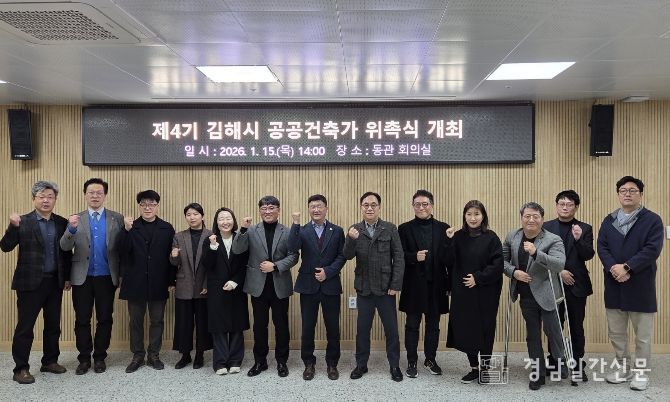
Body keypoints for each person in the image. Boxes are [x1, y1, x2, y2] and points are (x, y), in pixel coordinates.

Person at [1, 180, 72, 384]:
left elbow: (66, 253)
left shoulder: (62, 222)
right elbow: (5, 246)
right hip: (29, 283)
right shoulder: (23, 221)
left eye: (50, 197)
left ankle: (49, 362)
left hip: (54, 282)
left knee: (53, 325)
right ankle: (20, 368)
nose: (46, 200)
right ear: (34, 199)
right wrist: (12, 227)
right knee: (25, 327)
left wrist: (67, 277)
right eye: (42, 196)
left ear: (55, 199)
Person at [598, 176, 663, 391]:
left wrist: (627, 267)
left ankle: (641, 373)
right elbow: (602, 247)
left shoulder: (652, 220)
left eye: (633, 190)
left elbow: (652, 249)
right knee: (617, 334)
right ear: (618, 194)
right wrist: (614, 268)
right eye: (623, 190)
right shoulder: (609, 220)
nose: (627, 194)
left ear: (640, 194)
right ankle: (623, 369)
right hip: (614, 283)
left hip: (640, 284)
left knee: (642, 337)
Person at [59, 178, 125, 375]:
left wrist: (122, 276)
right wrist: (71, 229)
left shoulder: (117, 218)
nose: (95, 196)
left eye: (99, 193)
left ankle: (100, 357)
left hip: (107, 277)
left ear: (105, 195)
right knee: (82, 319)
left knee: (105, 318)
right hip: (82, 278)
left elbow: (123, 249)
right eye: (91, 192)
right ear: (85, 195)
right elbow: (64, 247)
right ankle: (84, 358)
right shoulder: (75, 219)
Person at [232, 195, 298, 378]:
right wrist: (242, 229)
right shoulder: (251, 230)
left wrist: (275, 266)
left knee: (281, 325)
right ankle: (260, 361)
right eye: (264, 208)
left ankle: (282, 361)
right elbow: (237, 249)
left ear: (279, 210)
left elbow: (294, 256)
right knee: (259, 326)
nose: (267, 212)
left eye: (271, 208)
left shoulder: (287, 231)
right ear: (260, 211)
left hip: (280, 286)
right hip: (257, 286)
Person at [502, 202, 566, 391]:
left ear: (542, 219)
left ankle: (561, 361)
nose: (531, 220)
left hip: (547, 293)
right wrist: (514, 272)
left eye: (535, 216)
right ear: (521, 218)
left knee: (553, 331)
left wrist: (537, 253)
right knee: (533, 335)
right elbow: (501, 261)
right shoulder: (512, 236)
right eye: (527, 216)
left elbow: (559, 264)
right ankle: (538, 372)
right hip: (525, 294)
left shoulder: (553, 239)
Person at [344, 192, 405, 382]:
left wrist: (395, 284)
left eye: (373, 205)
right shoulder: (355, 229)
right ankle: (361, 365)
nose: (369, 208)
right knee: (362, 330)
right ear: (361, 207)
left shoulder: (390, 228)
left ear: (379, 207)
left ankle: (394, 365)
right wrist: (350, 239)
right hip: (364, 288)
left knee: (391, 330)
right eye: (366, 205)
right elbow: (347, 255)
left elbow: (399, 258)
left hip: (386, 288)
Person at [288, 194, 346, 381]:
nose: (316, 209)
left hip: (330, 284)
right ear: (308, 209)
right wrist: (295, 224)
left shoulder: (337, 230)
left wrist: (328, 272)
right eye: (312, 206)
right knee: (307, 327)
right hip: (308, 286)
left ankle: (332, 363)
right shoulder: (302, 230)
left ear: (326, 208)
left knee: (333, 328)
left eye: (319, 206)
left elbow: (342, 256)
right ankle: (309, 363)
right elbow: (292, 247)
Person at [445, 200, 503, 384]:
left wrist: (478, 278)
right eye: (469, 214)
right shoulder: (457, 236)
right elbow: (447, 261)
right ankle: (474, 368)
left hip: (486, 293)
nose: (473, 218)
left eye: (477, 214)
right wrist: (448, 241)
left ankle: (485, 369)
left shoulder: (491, 238)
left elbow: (497, 265)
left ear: (483, 216)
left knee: (485, 330)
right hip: (463, 293)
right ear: (464, 216)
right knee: (467, 329)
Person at [119, 190, 175, 373]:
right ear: (139, 206)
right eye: (143, 204)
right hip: (135, 282)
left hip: (159, 281)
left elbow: (171, 257)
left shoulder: (167, 228)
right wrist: (126, 231)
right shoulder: (130, 227)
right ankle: (137, 355)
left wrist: (171, 280)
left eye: (151, 204)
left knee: (157, 320)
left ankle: (154, 355)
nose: (147, 207)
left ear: (157, 206)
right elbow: (122, 251)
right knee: (135, 321)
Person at [398, 190, 450, 378]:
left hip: (437, 285)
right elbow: (398, 256)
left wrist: (450, 285)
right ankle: (412, 361)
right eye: (417, 204)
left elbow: (450, 259)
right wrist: (414, 257)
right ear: (413, 206)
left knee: (433, 325)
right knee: (412, 324)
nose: (421, 207)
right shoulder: (404, 229)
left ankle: (430, 359)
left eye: (425, 204)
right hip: (413, 285)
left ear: (432, 206)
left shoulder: (444, 228)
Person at [543, 190, 594, 381]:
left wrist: (579, 239)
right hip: (551, 282)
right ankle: (555, 361)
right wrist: (559, 271)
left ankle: (577, 363)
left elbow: (588, 255)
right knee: (554, 326)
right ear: (556, 205)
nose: (565, 207)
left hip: (576, 285)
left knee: (576, 326)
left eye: (569, 204)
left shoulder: (584, 228)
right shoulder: (546, 227)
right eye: (562, 204)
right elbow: (541, 255)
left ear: (576, 207)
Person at [202, 207, 250, 375]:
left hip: (237, 287)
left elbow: (246, 264)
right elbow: (207, 265)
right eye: (221, 219)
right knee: (219, 326)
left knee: (237, 324)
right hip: (217, 289)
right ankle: (220, 362)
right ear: (216, 222)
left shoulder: (241, 238)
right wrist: (213, 247)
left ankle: (236, 360)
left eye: (228, 218)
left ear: (233, 220)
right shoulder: (210, 240)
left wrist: (235, 281)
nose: (225, 222)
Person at [169, 203, 213, 370]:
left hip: (203, 285)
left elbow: (214, 264)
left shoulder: (211, 235)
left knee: (202, 322)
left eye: (195, 214)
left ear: (202, 216)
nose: (192, 217)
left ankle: (200, 354)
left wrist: (207, 283)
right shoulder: (179, 236)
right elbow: (174, 263)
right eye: (188, 214)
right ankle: (185, 355)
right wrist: (173, 256)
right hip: (184, 284)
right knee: (184, 322)